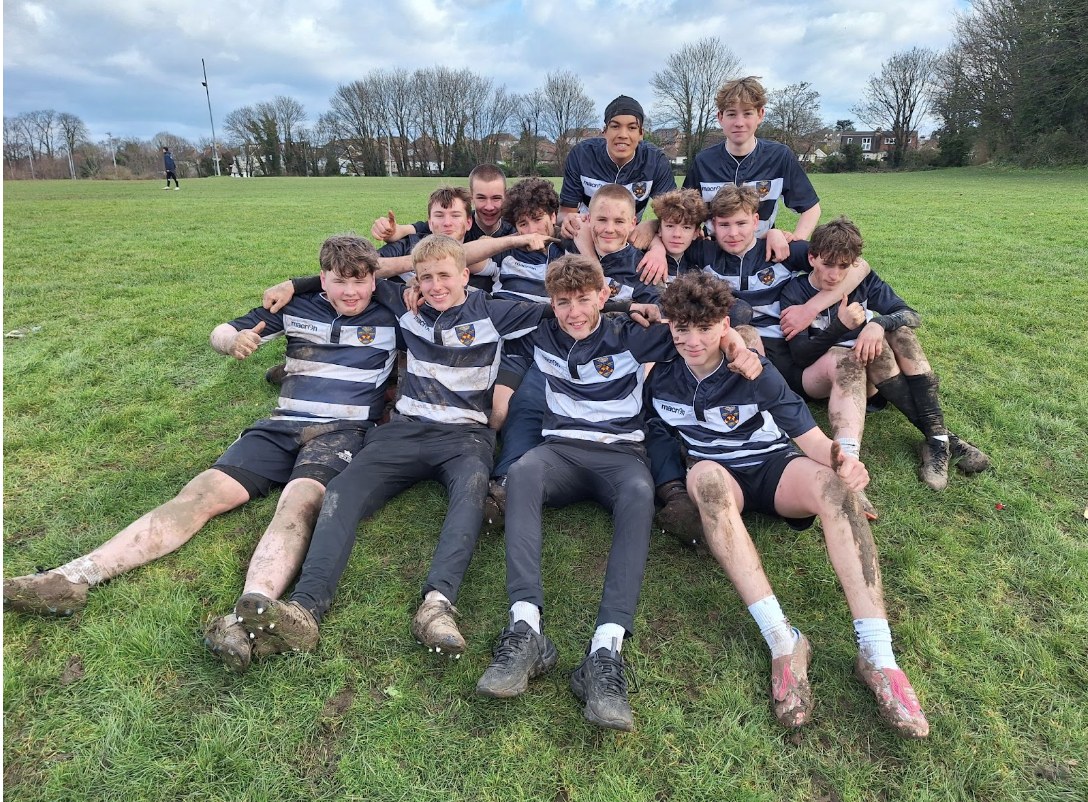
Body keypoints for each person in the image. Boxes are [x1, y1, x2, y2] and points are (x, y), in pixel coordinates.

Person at [3, 236, 398, 674]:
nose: (351, 292)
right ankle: (73, 577)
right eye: (340, 281)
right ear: (323, 279)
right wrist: (231, 342)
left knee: (299, 504)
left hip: (342, 431)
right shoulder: (294, 307)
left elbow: (448, 272)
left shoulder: (395, 309)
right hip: (280, 424)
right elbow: (223, 330)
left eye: (360, 281)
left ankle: (250, 612)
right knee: (198, 495)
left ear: (374, 279)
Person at [474, 255, 762, 732]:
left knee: (638, 492)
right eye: (562, 302)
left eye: (585, 299)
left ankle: (605, 651)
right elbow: (471, 302)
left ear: (603, 295)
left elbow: (724, 316)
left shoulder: (630, 333)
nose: (574, 312)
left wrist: (729, 337)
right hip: (560, 452)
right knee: (522, 473)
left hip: (621, 455)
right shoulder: (538, 330)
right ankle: (525, 628)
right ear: (550, 302)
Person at [233, 234, 556, 660]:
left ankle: (437, 606)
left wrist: (637, 311)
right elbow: (356, 273)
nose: (436, 286)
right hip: (403, 429)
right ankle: (306, 608)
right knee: (342, 493)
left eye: (445, 275)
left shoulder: (495, 311)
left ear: (465, 275)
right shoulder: (401, 303)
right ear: (415, 282)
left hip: (466, 435)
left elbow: (574, 310)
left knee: (470, 497)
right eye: (426, 278)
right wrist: (298, 284)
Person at [647, 271, 930, 738]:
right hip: (719, 476)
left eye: (705, 327)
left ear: (724, 324)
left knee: (836, 492)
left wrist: (844, 463)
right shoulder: (661, 366)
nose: (692, 340)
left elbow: (811, 439)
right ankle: (784, 641)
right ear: (669, 326)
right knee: (707, 480)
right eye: (681, 328)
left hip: (775, 469)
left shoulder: (756, 368)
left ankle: (879, 656)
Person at [779, 217, 990, 494]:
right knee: (855, 354)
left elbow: (910, 314)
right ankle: (947, 440)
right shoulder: (795, 291)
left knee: (901, 334)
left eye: (844, 266)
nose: (834, 275)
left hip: (869, 373)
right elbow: (802, 357)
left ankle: (938, 442)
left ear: (854, 263)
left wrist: (878, 324)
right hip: (827, 376)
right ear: (812, 257)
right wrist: (841, 326)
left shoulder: (863, 282)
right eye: (828, 264)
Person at [683, 185, 869, 396]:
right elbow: (667, 234)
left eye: (741, 223)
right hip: (734, 343)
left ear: (755, 222)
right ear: (713, 225)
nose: (733, 233)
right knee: (743, 329)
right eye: (724, 224)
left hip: (784, 350)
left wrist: (811, 308)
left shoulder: (783, 250)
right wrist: (656, 243)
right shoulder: (704, 253)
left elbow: (859, 266)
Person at [682, 76, 820, 244]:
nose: (739, 123)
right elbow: (685, 212)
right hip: (713, 253)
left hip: (761, 254)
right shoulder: (703, 161)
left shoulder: (779, 156)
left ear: (760, 115)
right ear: (720, 118)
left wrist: (796, 240)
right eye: (732, 114)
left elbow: (811, 208)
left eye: (747, 113)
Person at [559, 95, 675, 236]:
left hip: (630, 238)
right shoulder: (581, 155)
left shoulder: (655, 161)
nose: (623, 134)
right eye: (615, 126)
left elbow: (673, 216)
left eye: (632, 127)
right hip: (586, 235)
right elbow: (565, 212)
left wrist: (652, 225)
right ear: (605, 131)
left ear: (641, 134)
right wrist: (568, 220)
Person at [371, 164, 515, 246]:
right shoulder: (457, 222)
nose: (489, 206)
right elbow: (406, 230)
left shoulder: (516, 226)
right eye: (481, 198)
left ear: (505, 196)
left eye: (496, 198)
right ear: (471, 198)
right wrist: (389, 231)